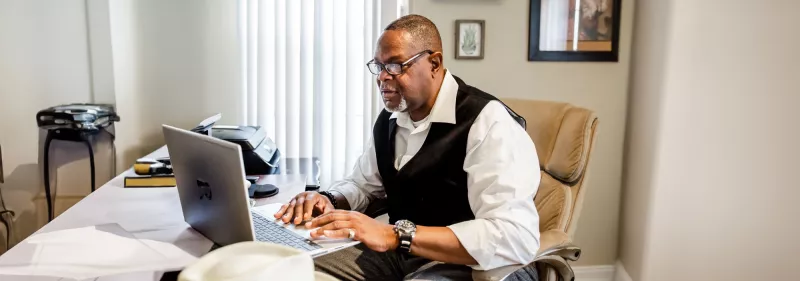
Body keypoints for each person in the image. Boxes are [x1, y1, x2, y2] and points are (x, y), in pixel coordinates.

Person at [274, 14, 541, 281]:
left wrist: (396, 235)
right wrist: (329, 200)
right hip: (402, 255)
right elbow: (363, 185)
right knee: (294, 266)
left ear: (434, 63)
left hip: (469, 266)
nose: (381, 77)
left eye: (394, 65)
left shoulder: (487, 122)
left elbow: (514, 236)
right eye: (378, 66)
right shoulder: (390, 120)